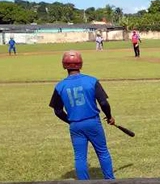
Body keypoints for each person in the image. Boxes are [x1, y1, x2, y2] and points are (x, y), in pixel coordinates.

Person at [49, 51, 115, 180]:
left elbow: (57, 111)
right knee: (102, 152)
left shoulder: (60, 86)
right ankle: (110, 180)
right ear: (81, 64)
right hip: (93, 123)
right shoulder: (92, 81)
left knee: (80, 157)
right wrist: (109, 116)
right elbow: (103, 103)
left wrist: (70, 121)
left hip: (75, 126)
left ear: (64, 66)